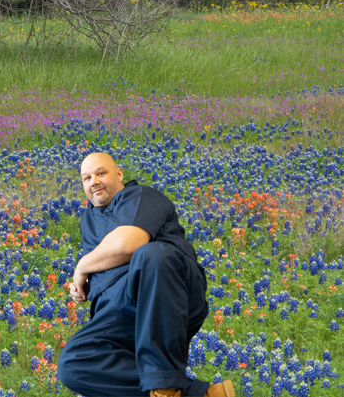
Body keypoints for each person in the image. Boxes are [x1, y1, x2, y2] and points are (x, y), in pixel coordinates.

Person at [57, 152, 235, 397]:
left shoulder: (140, 196)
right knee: (72, 364)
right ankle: (197, 394)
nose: (93, 181)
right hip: (117, 313)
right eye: (86, 178)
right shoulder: (88, 219)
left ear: (119, 174)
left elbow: (129, 244)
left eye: (101, 173)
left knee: (150, 254)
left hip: (164, 296)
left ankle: (164, 385)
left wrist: (81, 267)